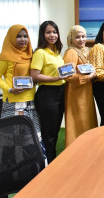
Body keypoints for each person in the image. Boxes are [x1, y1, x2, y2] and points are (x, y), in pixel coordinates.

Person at [0, 24, 41, 139]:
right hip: (12, 100)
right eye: (18, 36)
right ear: (11, 37)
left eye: (25, 36)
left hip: (30, 100)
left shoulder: (31, 54)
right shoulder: (5, 56)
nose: (23, 39)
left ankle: (31, 157)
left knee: (31, 135)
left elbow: (34, 74)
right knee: (11, 136)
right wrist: (9, 89)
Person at [30, 20, 66, 163]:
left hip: (60, 92)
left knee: (55, 130)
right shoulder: (40, 52)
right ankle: (49, 163)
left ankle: (51, 160)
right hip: (47, 94)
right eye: (48, 32)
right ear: (42, 35)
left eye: (55, 32)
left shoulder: (56, 53)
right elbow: (34, 76)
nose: (52, 35)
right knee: (48, 133)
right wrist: (56, 77)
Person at [63, 25, 97, 147]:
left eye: (83, 36)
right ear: (71, 39)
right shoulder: (71, 52)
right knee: (78, 119)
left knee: (88, 118)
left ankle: (88, 146)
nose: (81, 39)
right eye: (77, 37)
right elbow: (68, 76)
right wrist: (88, 77)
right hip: (75, 92)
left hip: (86, 90)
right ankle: (75, 147)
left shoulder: (86, 51)